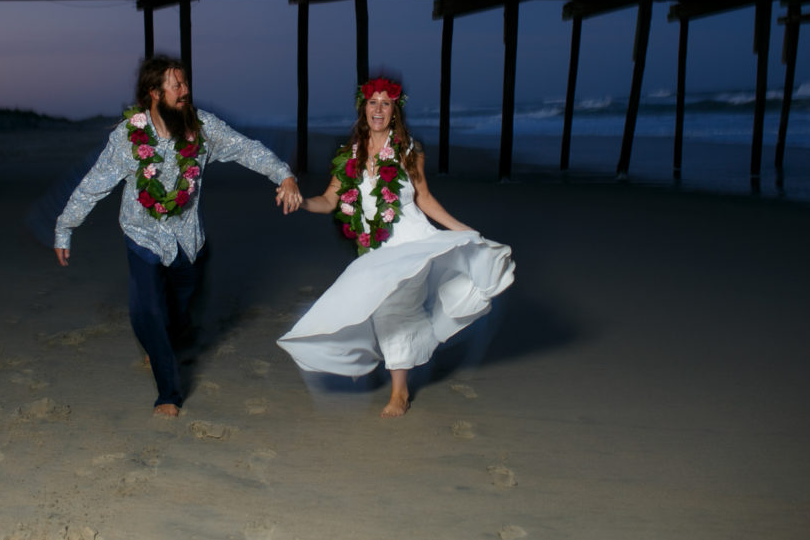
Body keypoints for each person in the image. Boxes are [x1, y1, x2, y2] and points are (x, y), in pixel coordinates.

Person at [54, 55, 303, 418]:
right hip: (142, 236)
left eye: (185, 83)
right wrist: (65, 227)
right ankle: (168, 393)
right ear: (154, 93)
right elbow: (94, 183)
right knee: (147, 311)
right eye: (177, 86)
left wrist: (284, 175)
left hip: (188, 241)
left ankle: (162, 338)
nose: (185, 91)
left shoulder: (202, 128)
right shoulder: (127, 138)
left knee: (178, 313)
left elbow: (245, 148)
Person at [277, 77, 515, 417]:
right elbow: (329, 200)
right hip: (376, 251)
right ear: (363, 108)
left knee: (393, 309)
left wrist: (465, 232)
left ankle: (399, 393)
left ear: (395, 111)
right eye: (372, 102)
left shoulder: (408, 151)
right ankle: (399, 362)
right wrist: (301, 202)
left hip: (411, 241)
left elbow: (424, 199)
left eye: (385, 103)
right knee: (372, 308)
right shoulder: (349, 156)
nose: (378, 109)